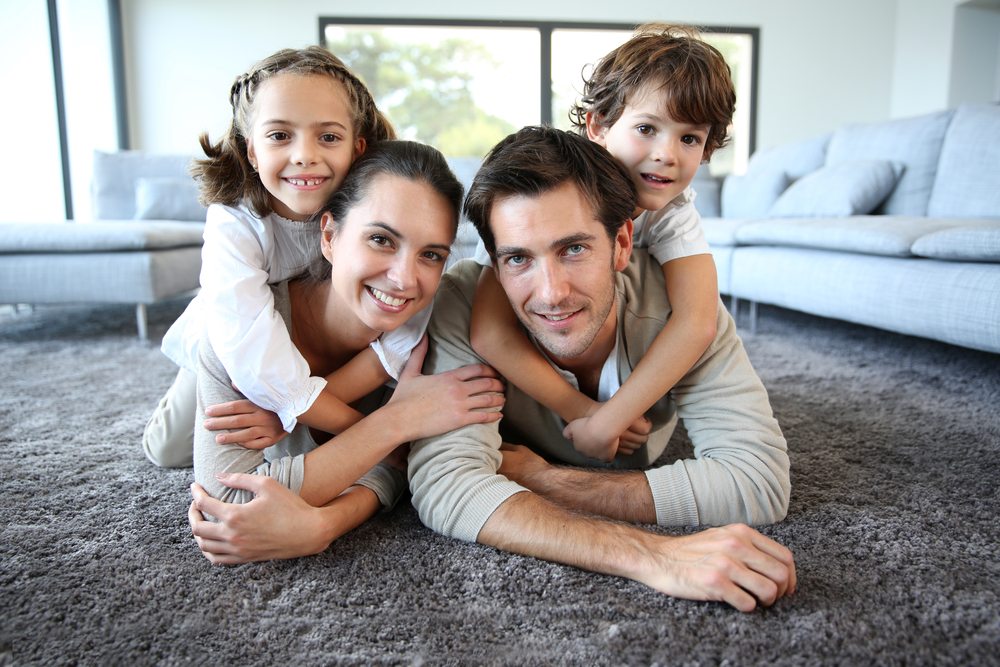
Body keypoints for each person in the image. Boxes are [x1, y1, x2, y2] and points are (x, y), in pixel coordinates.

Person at [190, 127, 794, 612]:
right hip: (240, 356)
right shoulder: (457, 302)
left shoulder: (687, 312)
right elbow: (440, 483)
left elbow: (759, 481)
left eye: (574, 248)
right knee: (181, 421)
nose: (551, 292)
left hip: (381, 399)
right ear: (490, 263)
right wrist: (653, 556)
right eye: (518, 259)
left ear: (622, 241)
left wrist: (546, 478)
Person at [193, 140, 506, 539]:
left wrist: (326, 523)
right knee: (165, 444)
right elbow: (227, 507)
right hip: (214, 339)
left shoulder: (426, 332)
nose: (404, 279)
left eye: (430, 255)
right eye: (380, 239)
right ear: (329, 236)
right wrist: (395, 420)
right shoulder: (241, 333)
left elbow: (403, 466)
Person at [143, 46, 423, 468]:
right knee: (169, 449)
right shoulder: (235, 219)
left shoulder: (376, 204)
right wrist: (365, 433)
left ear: (357, 149)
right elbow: (249, 348)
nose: (304, 155)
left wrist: (298, 409)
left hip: (316, 337)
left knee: (297, 428)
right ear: (252, 151)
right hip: (233, 336)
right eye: (279, 136)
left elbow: (415, 301)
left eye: (328, 137)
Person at [468, 23, 733, 463]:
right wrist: (586, 413)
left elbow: (697, 322)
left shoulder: (674, 212)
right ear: (597, 125)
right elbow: (490, 330)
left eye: (689, 138)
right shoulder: (534, 198)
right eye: (647, 128)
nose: (667, 154)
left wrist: (613, 419)